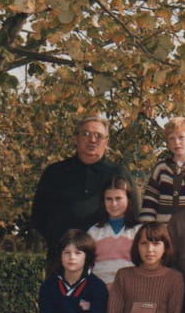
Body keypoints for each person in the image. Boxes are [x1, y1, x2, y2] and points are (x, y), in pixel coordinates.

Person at [31, 115, 139, 272]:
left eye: (98, 135)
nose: (92, 140)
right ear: (76, 139)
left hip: (105, 263)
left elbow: (134, 215)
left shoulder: (118, 173)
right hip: (61, 260)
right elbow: (38, 216)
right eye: (86, 134)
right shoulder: (55, 172)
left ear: (106, 141)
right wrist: (59, 242)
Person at [139, 117, 185, 223]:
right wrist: (149, 228)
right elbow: (150, 201)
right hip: (163, 229)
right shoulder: (161, 168)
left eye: (181, 137)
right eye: (172, 138)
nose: (177, 142)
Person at [87, 176, 142, 288]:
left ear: (128, 200)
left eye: (118, 198)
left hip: (131, 288)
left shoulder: (139, 231)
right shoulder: (94, 232)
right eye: (109, 199)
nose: (114, 204)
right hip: (100, 289)